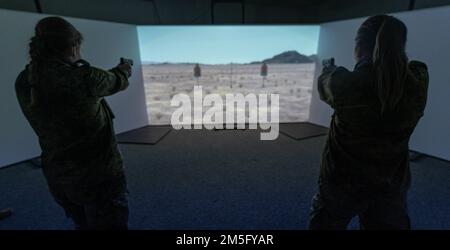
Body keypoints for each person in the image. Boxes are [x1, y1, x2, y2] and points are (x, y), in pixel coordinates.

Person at [309, 15, 429, 230]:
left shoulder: (343, 84)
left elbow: (325, 84)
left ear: (359, 46)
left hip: (342, 184)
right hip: (390, 185)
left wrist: (330, 70)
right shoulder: (418, 80)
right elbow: (394, 74)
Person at [15, 16, 133, 230]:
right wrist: (125, 67)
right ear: (73, 46)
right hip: (99, 177)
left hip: (58, 176)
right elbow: (118, 80)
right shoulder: (84, 77)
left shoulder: (24, 80)